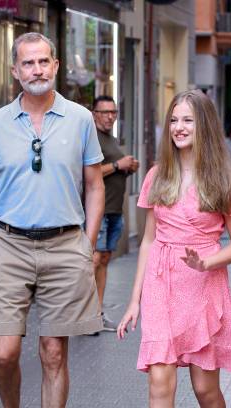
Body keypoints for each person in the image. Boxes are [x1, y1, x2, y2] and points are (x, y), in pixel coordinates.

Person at [0, 32, 104, 407]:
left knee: (53, 352)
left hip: (64, 246)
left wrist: (87, 245)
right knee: (3, 353)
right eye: (28, 63)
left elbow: (94, 186)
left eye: (43, 61)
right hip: (8, 246)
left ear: (55, 65)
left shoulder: (81, 119)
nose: (37, 69)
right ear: (15, 71)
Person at [117, 90, 231, 407]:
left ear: (203, 125)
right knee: (160, 382)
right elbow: (149, 240)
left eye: (188, 120)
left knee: (205, 389)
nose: (178, 127)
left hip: (203, 285)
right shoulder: (157, 175)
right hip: (161, 284)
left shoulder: (224, 179)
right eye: (174, 120)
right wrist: (134, 300)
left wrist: (208, 262)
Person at [90, 95, 139, 333]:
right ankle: (85, 314)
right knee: (94, 260)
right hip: (97, 210)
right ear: (94, 114)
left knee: (105, 260)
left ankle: (97, 313)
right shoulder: (91, 138)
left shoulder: (111, 139)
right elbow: (87, 173)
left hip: (114, 210)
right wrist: (119, 165)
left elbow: (112, 171)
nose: (110, 116)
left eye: (114, 112)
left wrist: (127, 168)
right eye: (105, 112)